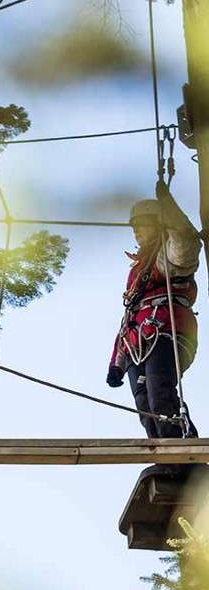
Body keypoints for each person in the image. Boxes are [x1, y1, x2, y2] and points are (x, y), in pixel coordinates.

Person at [107, 181, 201, 441]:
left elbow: (185, 244)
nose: (136, 232)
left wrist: (168, 206)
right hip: (137, 343)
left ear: (158, 224)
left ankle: (178, 448)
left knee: (160, 392)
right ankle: (161, 452)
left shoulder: (166, 256)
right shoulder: (137, 271)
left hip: (166, 331)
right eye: (134, 227)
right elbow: (127, 317)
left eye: (142, 224)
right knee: (145, 406)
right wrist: (116, 363)